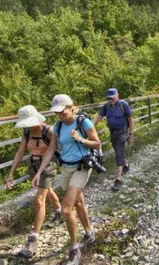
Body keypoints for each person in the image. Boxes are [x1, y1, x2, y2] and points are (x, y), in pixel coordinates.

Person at [31, 94, 101, 265]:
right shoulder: (58, 125)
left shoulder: (83, 122)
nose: (60, 115)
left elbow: (97, 143)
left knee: (66, 209)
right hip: (66, 168)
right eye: (57, 113)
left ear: (71, 107)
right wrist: (39, 172)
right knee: (78, 202)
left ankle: (74, 248)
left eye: (62, 112)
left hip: (82, 166)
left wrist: (81, 139)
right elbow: (51, 149)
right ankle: (89, 232)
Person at [5, 105, 61, 258]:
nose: (28, 125)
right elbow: (20, 152)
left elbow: (53, 150)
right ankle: (59, 211)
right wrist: (11, 174)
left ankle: (34, 237)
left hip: (48, 166)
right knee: (47, 190)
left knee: (39, 200)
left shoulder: (48, 131)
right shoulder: (26, 132)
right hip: (33, 165)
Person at [93, 88, 134, 192]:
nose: (110, 100)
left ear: (117, 96)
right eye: (108, 98)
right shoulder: (106, 106)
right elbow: (98, 118)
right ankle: (126, 164)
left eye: (112, 97)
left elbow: (130, 119)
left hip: (122, 132)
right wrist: (88, 126)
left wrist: (131, 134)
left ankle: (118, 178)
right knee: (117, 150)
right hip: (113, 132)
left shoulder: (123, 105)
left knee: (119, 152)